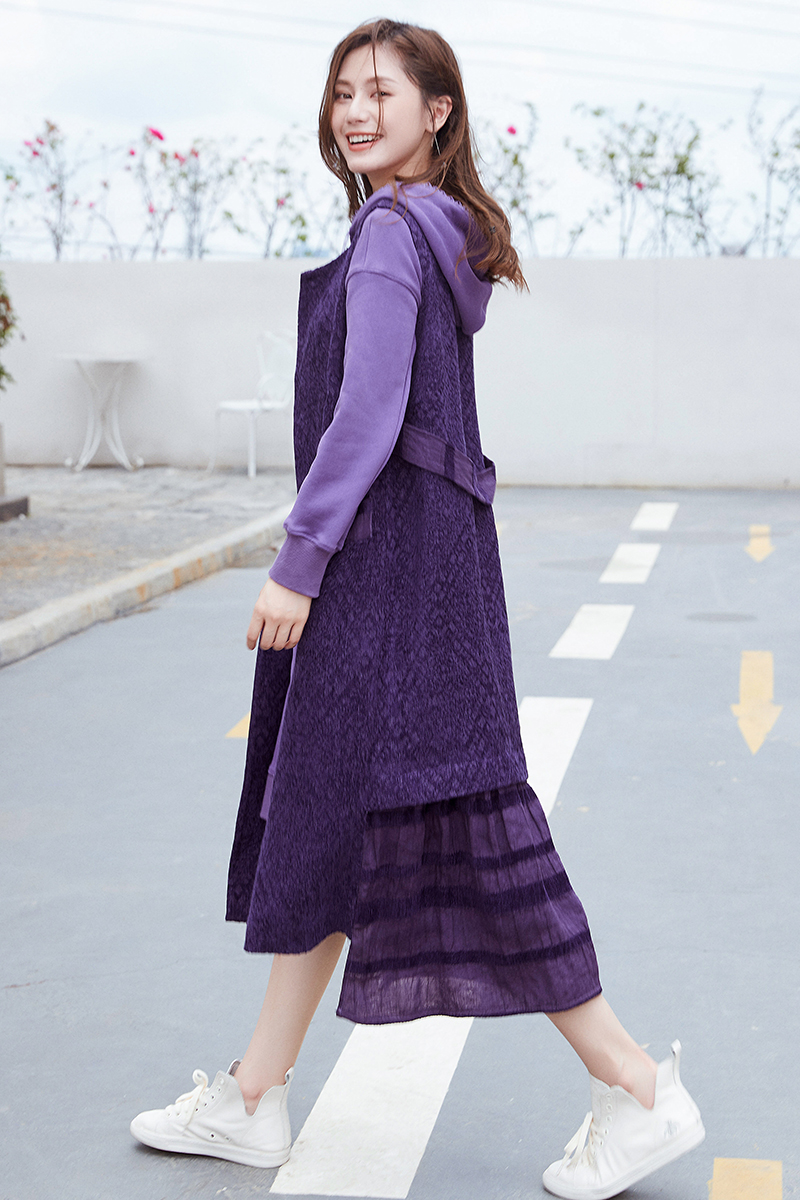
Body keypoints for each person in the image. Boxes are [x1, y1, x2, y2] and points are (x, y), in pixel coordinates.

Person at [130, 19, 705, 1199]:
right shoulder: (427, 228)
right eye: (341, 92)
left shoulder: (393, 232)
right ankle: (253, 1096)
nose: (353, 111)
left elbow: (369, 412)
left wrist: (297, 561)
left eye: (379, 92)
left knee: (467, 818)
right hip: (426, 568)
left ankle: (635, 1087)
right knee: (331, 814)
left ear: (436, 110)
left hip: (383, 575)